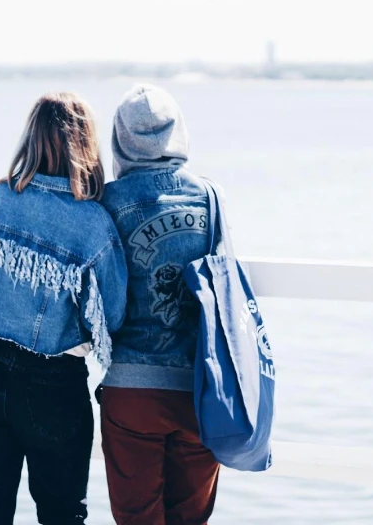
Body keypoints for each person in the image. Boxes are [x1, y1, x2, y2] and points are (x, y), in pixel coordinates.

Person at [0, 92, 128, 525]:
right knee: (61, 517)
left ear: (30, 140)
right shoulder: (93, 226)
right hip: (53, 386)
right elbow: (111, 321)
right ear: (86, 147)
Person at [99, 84, 221, 525]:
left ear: (119, 140)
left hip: (131, 390)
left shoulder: (107, 202)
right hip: (200, 391)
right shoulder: (210, 199)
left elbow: (101, 299)